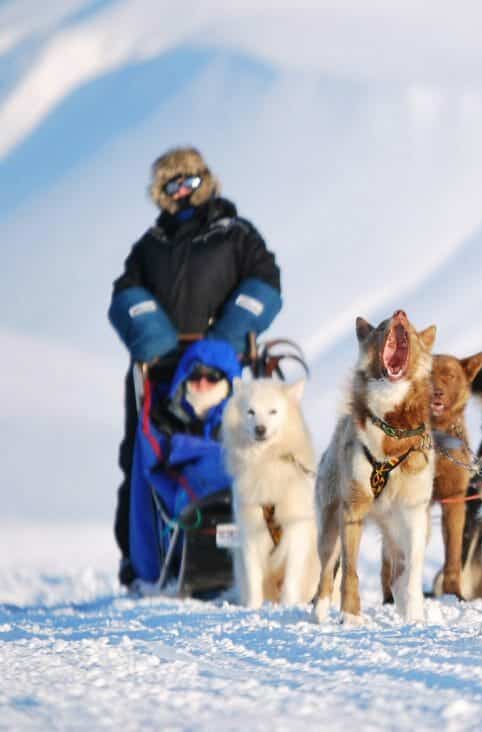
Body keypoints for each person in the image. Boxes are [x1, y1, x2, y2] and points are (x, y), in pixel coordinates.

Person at [108, 147, 282, 587]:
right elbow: (125, 294)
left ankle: (260, 554)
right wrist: (154, 338)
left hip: (224, 373)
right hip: (162, 377)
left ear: (205, 181)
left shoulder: (235, 234)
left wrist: (225, 337)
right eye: (172, 185)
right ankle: (140, 561)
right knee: (140, 459)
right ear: (160, 192)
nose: (182, 192)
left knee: (247, 453)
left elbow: (265, 283)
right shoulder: (151, 245)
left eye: (189, 181)